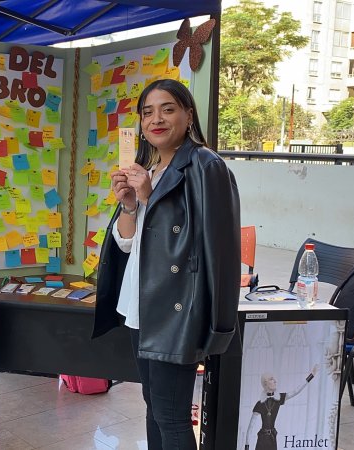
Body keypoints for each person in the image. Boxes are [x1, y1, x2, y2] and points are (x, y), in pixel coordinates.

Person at [92, 79, 241, 450]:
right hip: (139, 307)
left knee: (172, 416)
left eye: (167, 109)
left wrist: (149, 195)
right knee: (154, 407)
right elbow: (128, 243)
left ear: (188, 114)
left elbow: (214, 247)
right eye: (147, 112)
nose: (156, 119)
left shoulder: (206, 166)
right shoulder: (149, 167)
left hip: (176, 310)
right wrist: (129, 203)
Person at [244, 365, 319, 450]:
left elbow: (296, 391)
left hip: (272, 439)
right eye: (271, 379)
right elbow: (251, 427)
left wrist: (311, 376)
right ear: (266, 383)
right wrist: (247, 446)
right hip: (262, 440)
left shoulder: (279, 398)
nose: (275, 381)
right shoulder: (260, 404)